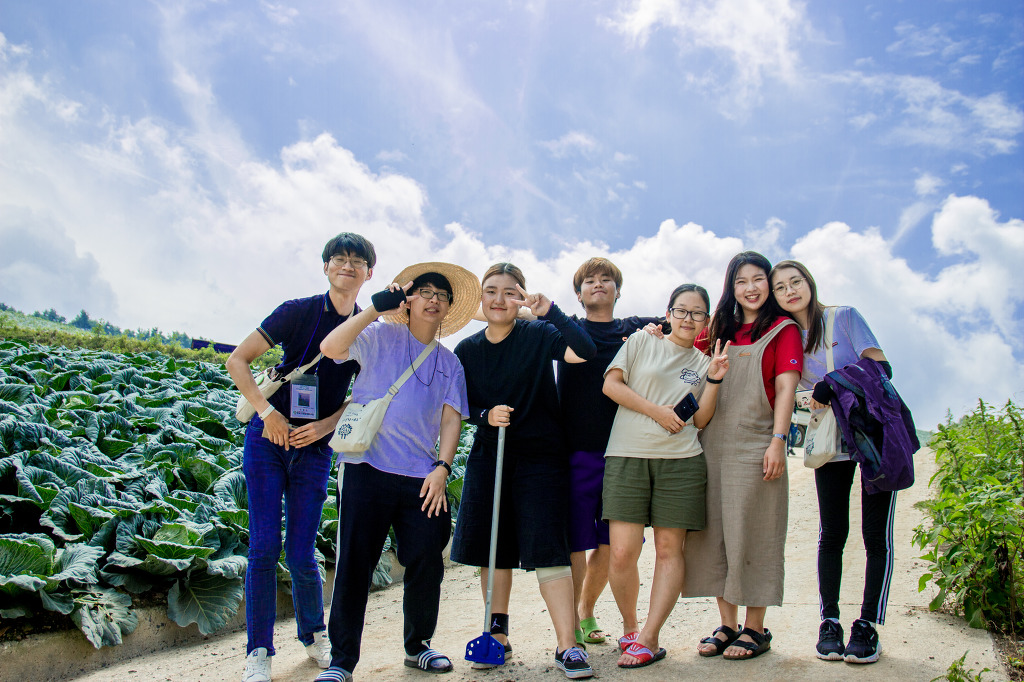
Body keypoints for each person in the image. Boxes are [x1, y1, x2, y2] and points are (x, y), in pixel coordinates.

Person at [315, 262, 479, 682]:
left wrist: (443, 467)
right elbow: (331, 348)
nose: (433, 300)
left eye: (441, 296)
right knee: (355, 563)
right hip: (365, 467)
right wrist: (374, 308)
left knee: (427, 558)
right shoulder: (378, 336)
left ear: (448, 308)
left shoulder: (450, 363)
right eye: (425, 292)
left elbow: (451, 419)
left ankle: (418, 646)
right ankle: (341, 662)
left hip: (422, 476)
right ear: (408, 300)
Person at [226, 233, 376, 682]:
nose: (347, 265)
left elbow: (365, 396)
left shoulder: (366, 330)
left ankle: (313, 635)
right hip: (267, 440)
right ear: (325, 266)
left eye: (357, 261)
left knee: (302, 550)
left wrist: (326, 426)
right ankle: (258, 652)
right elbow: (238, 360)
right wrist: (268, 413)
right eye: (339, 258)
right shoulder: (297, 311)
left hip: (315, 447)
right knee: (263, 547)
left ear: (369, 273)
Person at [451, 262, 598, 679]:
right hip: (490, 457)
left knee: (549, 547)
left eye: (510, 292)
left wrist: (549, 311)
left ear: (522, 298)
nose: (499, 299)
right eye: (491, 291)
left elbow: (584, 351)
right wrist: (485, 414)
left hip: (541, 459)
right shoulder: (467, 350)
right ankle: (496, 635)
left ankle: (567, 644)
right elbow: (462, 406)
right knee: (493, 549)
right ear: (481, 298)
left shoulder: (539, 333)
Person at [770, 259, 893, 664]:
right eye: (780, 287)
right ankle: (830, 621)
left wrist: (834, 382)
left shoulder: (843, 317)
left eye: (795, 282)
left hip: (872, 433)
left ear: (809, 282)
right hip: (828, 438)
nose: (790, 291)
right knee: (832, 531)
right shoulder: (786, 336)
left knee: (875, 534)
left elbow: (882, 366)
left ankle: (868, 625)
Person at [602, 284, 730, 668]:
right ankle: (630, 627)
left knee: (669, 550)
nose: (689, 319)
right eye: (681, 310)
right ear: (669, 313)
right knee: (622, 552)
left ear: (706, 319)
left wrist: (715, 379)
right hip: (627, 454)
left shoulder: (705, 362)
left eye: (697, 313)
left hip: (681, 461)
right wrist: (656, 411)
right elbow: (611, 385)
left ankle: (649, 637)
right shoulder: (643, 340)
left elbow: (701, 419)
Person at [683, 251, 802, 661]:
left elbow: (785, 388)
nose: (750, 288)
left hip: (757, 442)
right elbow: (682, 347)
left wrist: (778, 440)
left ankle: (755, 628)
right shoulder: (718, 330)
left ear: (768, 283)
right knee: (715, 534)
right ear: (731, 288)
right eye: (740, 281)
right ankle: (727, 624)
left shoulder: (784, 329)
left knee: (754, 532)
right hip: (711, 443)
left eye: (758, 279)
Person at [555, 257, 667, 647]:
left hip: (624, 453)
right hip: (575, 453)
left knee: (612, 544)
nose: (598, 284)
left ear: (618, 290)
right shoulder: (565, 330)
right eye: (589, 280)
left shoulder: (636, 329)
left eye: (606, 279)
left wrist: (658, 332)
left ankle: (599, 615)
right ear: (578, 293)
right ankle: (571, 624)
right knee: (576, 543)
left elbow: (689, 322)